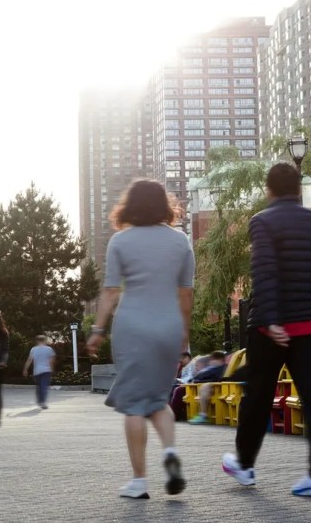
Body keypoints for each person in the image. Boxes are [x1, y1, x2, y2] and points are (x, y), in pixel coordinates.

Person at [222, 163, 311, 498]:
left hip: (272, 328)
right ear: (298, 189)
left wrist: (272, 319)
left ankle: (244, 465)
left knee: (258, 395)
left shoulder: (263, 221)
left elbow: (265, 271)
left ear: (268, 189)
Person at [87, 179, 192, 499]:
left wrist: (97, 331)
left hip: (132, 326)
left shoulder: (121, 241)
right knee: (158, 400)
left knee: (134, 404)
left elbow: (110, 292)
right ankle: (170, 451)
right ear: (164, 205)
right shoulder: (181, 240)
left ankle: (138, 481)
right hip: (168, 327)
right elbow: (186, 295)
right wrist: (184, 340)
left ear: (129, 205)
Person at [186, 351, 228, 424]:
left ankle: (203, 416)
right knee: (204, 386)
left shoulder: (220, 368)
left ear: (220, 360)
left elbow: (216, 378)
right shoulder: (214, 368)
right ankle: (202, 415)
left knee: (205, 386)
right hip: (217, 386)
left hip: (221, 388)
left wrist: (196, 381)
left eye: (213, 359)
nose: (211, 361)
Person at [24, 335, 56, 409]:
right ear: (44, 340)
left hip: (37, 371)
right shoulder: (49, 349)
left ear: (37, 341)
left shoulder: (33, 349)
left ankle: (39, 401)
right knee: (44, 386)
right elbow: (51, 360)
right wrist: (52, 369)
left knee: (39, 387)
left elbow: (29, 360)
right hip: (46, 370)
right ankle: (43, 402)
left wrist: (25, 369)